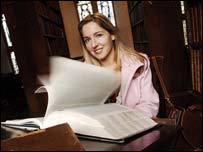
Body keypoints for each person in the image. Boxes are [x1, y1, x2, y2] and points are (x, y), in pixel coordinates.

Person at [78, 13, 159, 118]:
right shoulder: (82, 72)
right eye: (87, 40)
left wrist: (127, 121)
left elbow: (149, 104)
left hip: (136, 127)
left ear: (112, 35)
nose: (93, 44)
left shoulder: (138, 62)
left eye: (98, 35)